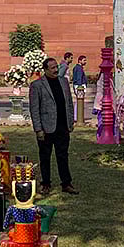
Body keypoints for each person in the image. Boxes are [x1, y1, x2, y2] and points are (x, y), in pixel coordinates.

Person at [29, 57, 78, 196]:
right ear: (45, 70)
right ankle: (45, 183)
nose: (56, 70)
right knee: (45, 157)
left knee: (63, 156)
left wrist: (70, 122)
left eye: (56, 66)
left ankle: (66, 183)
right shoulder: (37, 85)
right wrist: (38, 129)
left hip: (62, 127)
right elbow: (34, 109)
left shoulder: (63, 82)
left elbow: (68, 103)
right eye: (52, 68)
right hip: (46, 128)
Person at [72, 55, 88, 121]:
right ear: (80, 61)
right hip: (79, 86)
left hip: (78, 85)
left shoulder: (77, 67)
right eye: (84, 60)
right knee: (79, 102)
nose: (85, 62)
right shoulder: (79, 68)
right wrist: (80, 86)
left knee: (78, 101)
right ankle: (78, 117)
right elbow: (79, 78)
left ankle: (77, 116)